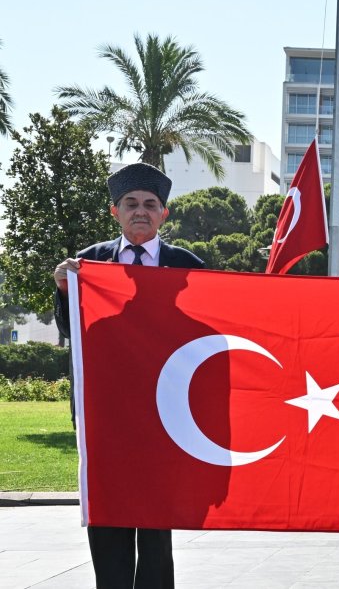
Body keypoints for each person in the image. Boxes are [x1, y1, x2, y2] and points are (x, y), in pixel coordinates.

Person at [53, 162, 205, 589]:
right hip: (105, 415)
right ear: (114, 211)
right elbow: (72, 333)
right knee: (107, 517)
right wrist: (65, 290)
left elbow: (208, 335)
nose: (141, 211)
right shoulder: (86, 265)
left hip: (166, 415)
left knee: (156, 525)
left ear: (164, 214)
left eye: (150, 204)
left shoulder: (188, 267)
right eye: (131, 204)